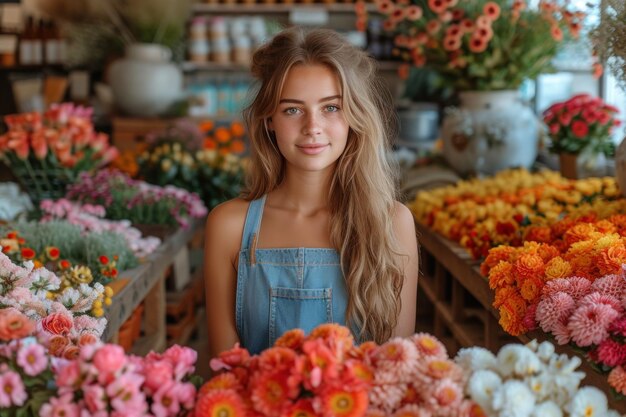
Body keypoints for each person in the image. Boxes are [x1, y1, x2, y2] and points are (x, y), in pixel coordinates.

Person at [204, 26, 419, 358]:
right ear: (269, 120)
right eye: (292, 109)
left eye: (330, 107)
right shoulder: (229, 225)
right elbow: (225, 367)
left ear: (354, 116)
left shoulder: (393, 223)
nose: (312, 126)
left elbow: (397, 366)